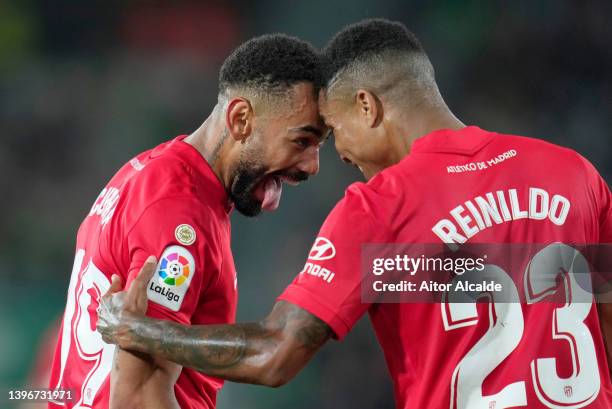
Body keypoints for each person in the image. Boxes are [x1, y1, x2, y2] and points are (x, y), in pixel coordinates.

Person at [97, 19, 612, 408]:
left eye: (334, 131)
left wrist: (139, 329)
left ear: (367, 106)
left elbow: (275, 353)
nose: (336, 157)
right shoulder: (575, 174)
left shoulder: (379, 208)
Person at [49, 33, 326, 409]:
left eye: (319, 146)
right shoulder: (180, 215)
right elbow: (139, 398)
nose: (312, 165)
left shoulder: (154, 171)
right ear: (241, 119)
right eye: (301, 141)